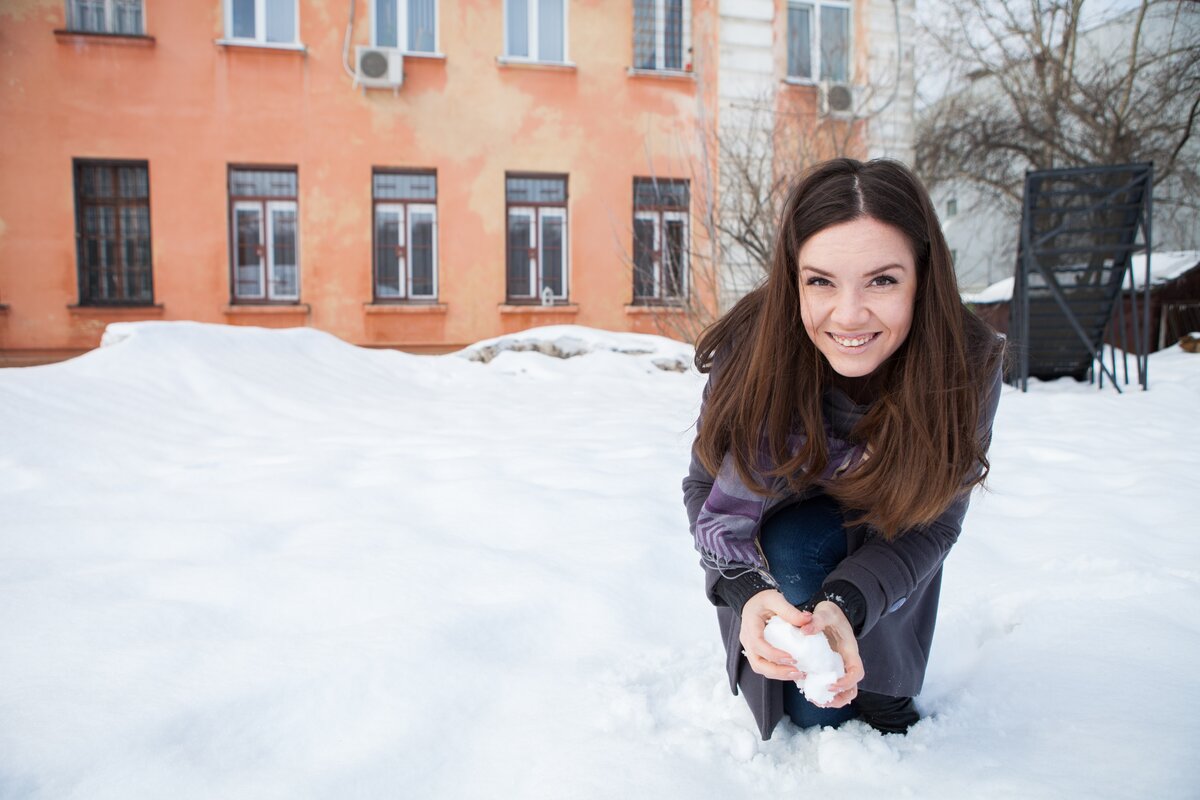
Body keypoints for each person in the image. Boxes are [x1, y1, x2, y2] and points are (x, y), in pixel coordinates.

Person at [681, 157, 1004, 739]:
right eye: (821, 280)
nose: (849, 315)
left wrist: (845, 603)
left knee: (870, 703)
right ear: (793, 278)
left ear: (922, 277)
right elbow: (704, 488)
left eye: (882, 280)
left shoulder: (965, 363)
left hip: (890, 533)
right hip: (772, 551)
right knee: (814, 709)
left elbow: (932, 526)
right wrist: (747, 592)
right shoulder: (752, 347)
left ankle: (887, 673)